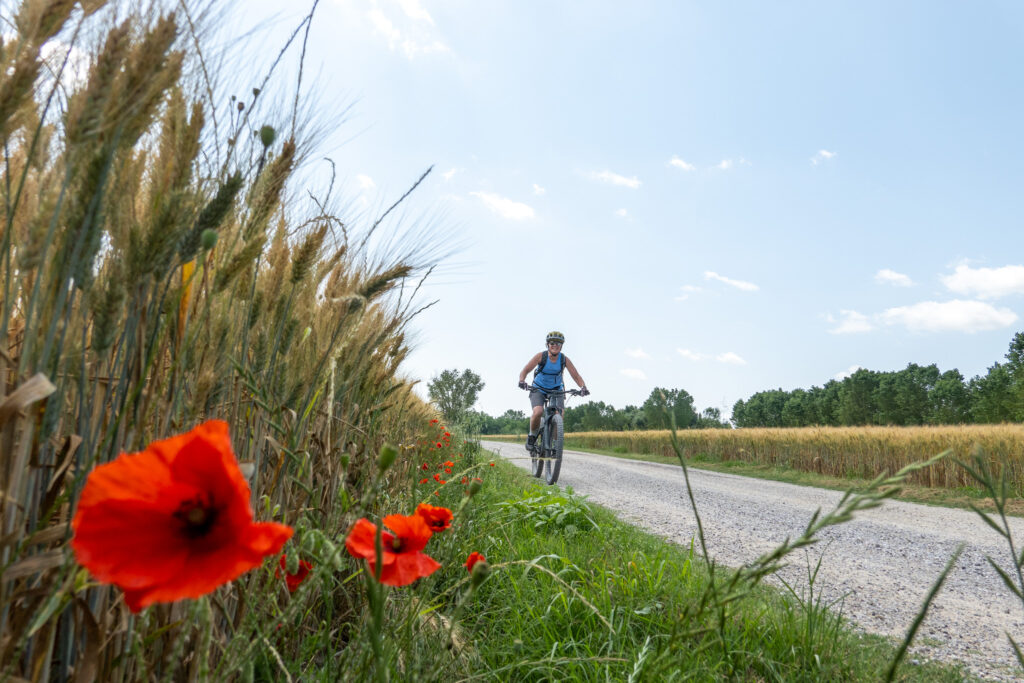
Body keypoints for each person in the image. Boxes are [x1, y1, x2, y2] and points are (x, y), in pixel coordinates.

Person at [517, 331, 589, 450]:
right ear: (547, 345)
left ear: (561, 346)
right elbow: (525, 370)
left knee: (559, 414)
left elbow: (576, 375)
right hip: (538, 388)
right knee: (538, 411)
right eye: (552, 343)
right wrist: (522, 380)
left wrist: (583, 387)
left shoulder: (564, 359)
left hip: (556, 390)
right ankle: (532, 436)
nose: (555, 345)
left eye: (558, 343)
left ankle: (556, 444)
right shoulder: (541, 356)